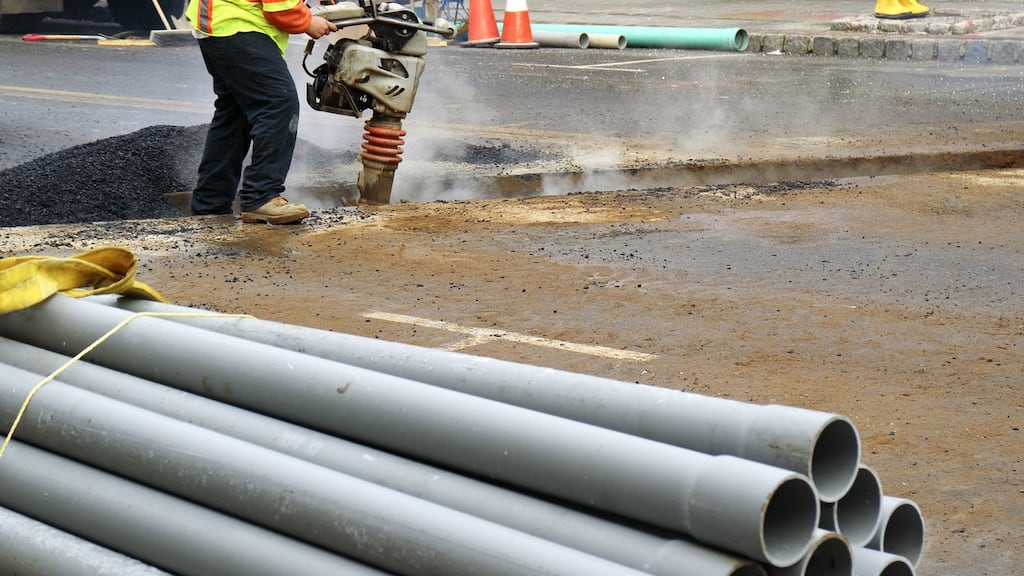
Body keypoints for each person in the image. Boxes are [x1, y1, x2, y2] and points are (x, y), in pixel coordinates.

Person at [186, 0, 337, 224]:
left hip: (221, 26)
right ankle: (261, 196)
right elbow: (280, 7)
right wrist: (307, 22)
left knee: (234, 117)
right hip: (238, 25)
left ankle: (210, 205)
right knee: (278, 103)